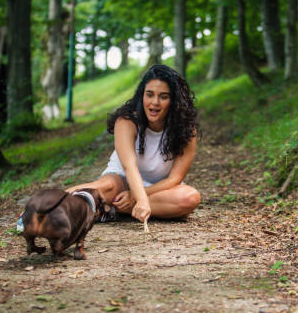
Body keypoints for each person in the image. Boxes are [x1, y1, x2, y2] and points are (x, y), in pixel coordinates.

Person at [67, 64, 201, 224]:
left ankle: (114, 209)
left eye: (163, 97)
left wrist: (138, 197)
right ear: (142, 95)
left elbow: (174, 179)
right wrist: (139, 198)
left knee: (190, 198)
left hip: (160, 189)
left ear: (174, 101)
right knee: (104, 187)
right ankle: (49, 204)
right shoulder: (126, 121)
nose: (154, 102)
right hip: (122, 181)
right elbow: (129, 168)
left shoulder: (186, 130)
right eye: (149, 95)